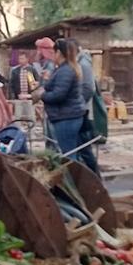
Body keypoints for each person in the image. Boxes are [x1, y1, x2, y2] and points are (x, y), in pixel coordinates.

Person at [32, 38, 84, 159]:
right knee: (69, 152)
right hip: (67, 115)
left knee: (68, 155)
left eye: (54, 52)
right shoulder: (63, 68)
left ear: (59, 53)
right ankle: (72, 177)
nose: (52, 55)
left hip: (67, 117)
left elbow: (58, 95)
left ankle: (70, 177)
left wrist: (41, 95)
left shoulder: (65, 70)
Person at [68, 38, 101, 174]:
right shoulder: (75, 63)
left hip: (82, 112)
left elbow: (88, 88)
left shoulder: (84, 64)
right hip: (76, 111)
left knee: (84, 148)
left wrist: (77, 104)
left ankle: (95, 177)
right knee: (79, 148)